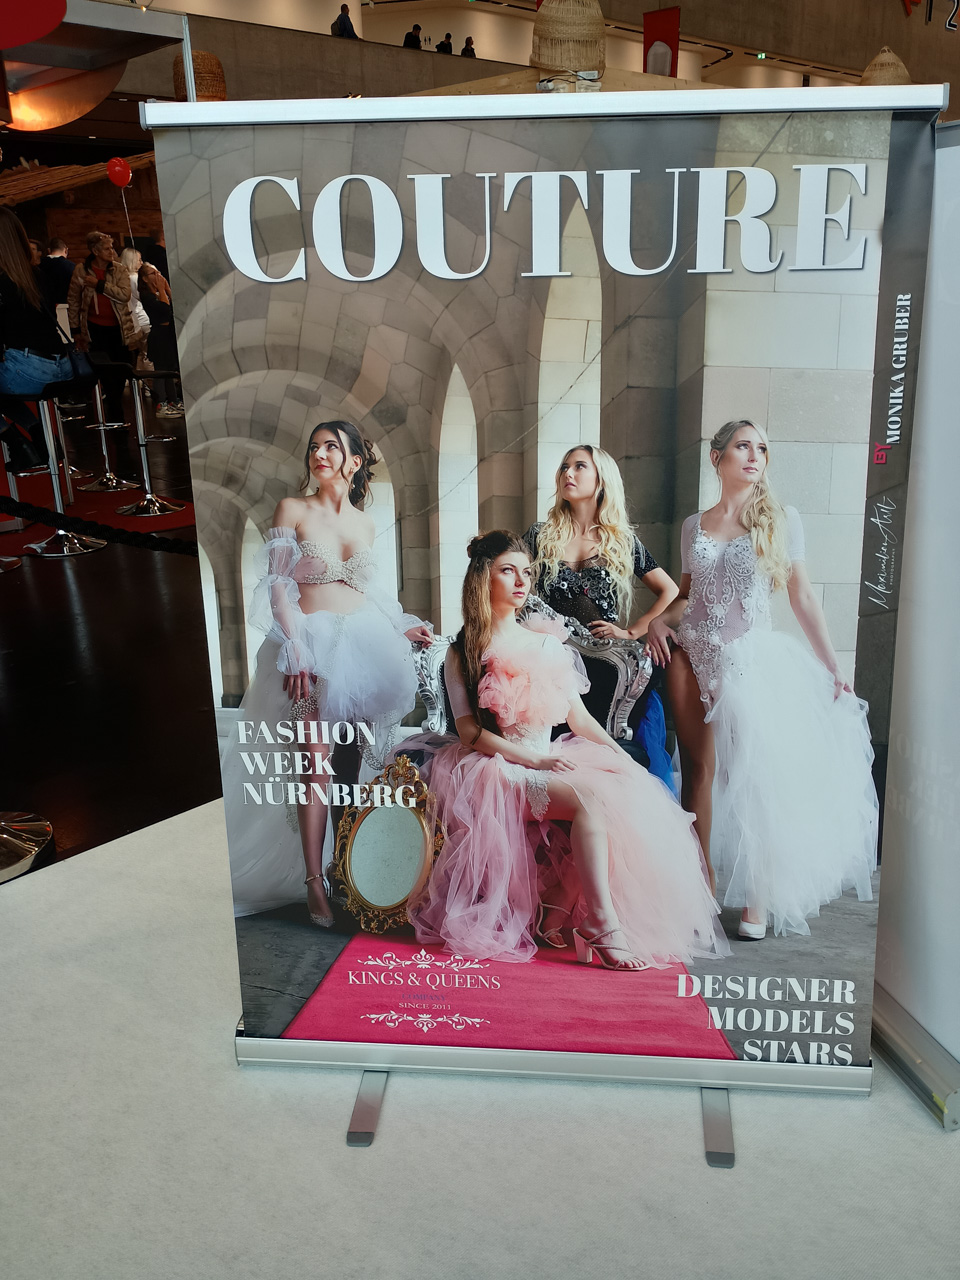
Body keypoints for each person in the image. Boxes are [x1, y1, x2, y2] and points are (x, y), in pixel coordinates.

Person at [405, 531, 723, 969]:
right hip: (498, 767)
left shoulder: (545, 642)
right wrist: (534, 759)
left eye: (526, 572)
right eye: (508, 571)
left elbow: (580, 720)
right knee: (589, 801)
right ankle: (601, 924)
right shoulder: (464, 651)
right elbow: (468, 733)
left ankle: (561, 904)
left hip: (548, 757)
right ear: (483, 578)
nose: (521, 581)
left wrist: (620, 757)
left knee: (624, 788)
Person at [645, 420, 878, 938]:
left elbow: (802, 596)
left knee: (752, 778)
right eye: (743, 446)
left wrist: (833, 665)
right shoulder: (693, 525)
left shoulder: (781, 519)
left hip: (748, 658)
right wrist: (660, 621)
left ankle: (759, 896)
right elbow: (687, 597)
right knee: (699, 772)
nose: (755, 456)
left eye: (762, 449)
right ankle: (701, 887)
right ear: (717, 457)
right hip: (691, 654)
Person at [224, 419, 432, 926]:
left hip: (362, 649)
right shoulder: (292, 510)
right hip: (309, 647)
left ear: (354, 461)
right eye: (314, 446)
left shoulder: (365, 523)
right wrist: (294, 646)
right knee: (315, 766)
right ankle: (313, 881)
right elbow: (277, 585)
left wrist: (401, 626)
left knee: (349, 766)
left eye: (331, 447)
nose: (319, 454)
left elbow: (371, 593)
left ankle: (344, 868)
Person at [524, 445, 679, 788]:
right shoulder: (539, 535)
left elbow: (670, 591)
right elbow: (507, 579)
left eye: (579, 466)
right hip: (551, 664)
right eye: (564, 467)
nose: (568, 473)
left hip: (602, 667)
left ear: (601, 479)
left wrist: (632, 631)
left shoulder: (621, 541)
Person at [0, 208, 73, 470]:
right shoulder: (37, 274)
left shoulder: (2, 280)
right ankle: (41, 438)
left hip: (29, 369)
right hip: (62, 367)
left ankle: (16, 442)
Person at [67, 232, 137, 425]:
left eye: (112, 247)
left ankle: (116, 407)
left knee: (122, 370)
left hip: (119, 329)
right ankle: (115, 413)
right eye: (107, 248)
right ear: (95, 251)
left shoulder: (119, 270)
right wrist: (75, 330)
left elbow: (124, 295)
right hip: (94, 329)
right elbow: (73, 300)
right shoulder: (81, 270)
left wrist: (99, 285)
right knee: (105, 372)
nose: (111, 251)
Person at [37, 238, 75, 312]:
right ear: (66, 250)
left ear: (49, 250)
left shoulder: (38, 266)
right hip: (66, 306)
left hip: (44, 307)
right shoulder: (71, 267)